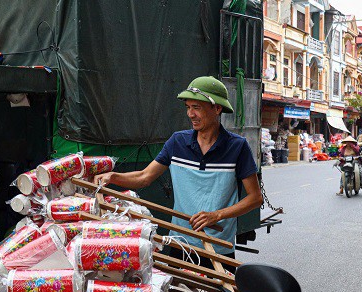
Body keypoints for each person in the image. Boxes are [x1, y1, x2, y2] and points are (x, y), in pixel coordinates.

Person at [94, 76, 262, 271]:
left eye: (197, 107)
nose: (190, 114)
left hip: (218, 248)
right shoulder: (177, 142)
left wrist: (216, 215)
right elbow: (144, 177)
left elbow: (255, 198)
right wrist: (113, 177)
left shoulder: (237, 147)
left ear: (217, 109)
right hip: (180, 243)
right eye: (188, 107)